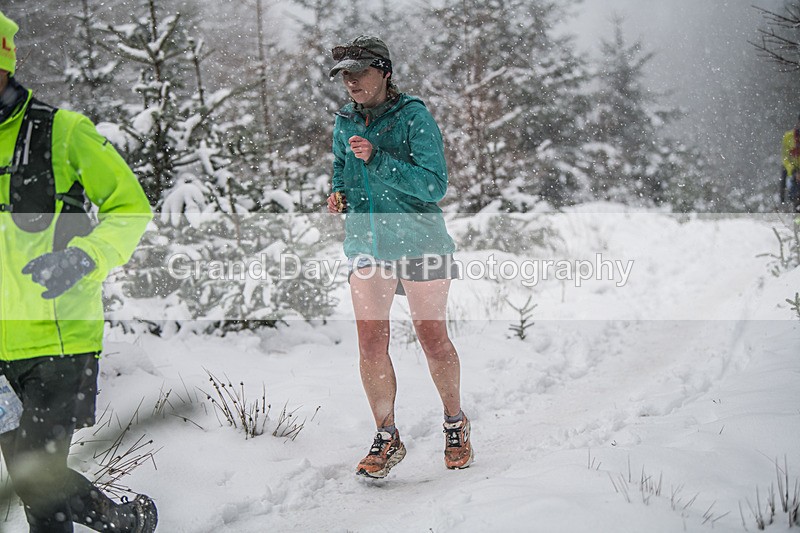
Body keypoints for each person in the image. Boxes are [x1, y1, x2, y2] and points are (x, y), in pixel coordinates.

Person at [0, 11, 157, 532]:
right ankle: (120, 520)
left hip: (59, 340)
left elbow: (130, 208)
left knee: (37, 476)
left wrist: (85, 257)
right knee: (31, 481)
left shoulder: (63, 132)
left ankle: (120, 520)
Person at [326, 35, 473, 478]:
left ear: (384, 72)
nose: (351, 82)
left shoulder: (413, 116)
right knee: (371, 343)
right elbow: (340, 166)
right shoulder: (344, 121)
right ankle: (386, 436)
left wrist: (377, 159)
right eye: (344, 76)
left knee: (432, 338)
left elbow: (434, 185)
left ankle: (455, 423)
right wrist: (339, 193)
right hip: (367, 244)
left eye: (359, 73)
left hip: (420, 241)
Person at [780, 112, 800, 212]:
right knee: (784, 177)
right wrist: (793, 171)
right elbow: (785, 158)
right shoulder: (788, 136)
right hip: (792, 168)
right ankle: (782, 201)